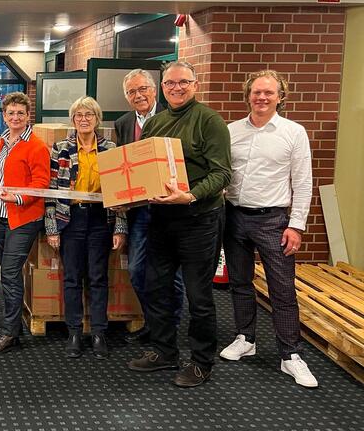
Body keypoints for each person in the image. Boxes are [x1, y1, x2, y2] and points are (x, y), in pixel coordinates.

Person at [127, 61, 231, 388]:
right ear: (163, 88)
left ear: (195, 84)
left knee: (200, 296)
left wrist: (191, 195)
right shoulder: (156, 123)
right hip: (161, 218)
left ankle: (201, 362)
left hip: (199, 219)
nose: (176, 88)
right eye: (170, 84)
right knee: (156, 285)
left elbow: (222, 173)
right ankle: (164, 350)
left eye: (183, 82)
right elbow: (146, 168)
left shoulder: (209, 121)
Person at [220, 70, 317, 387]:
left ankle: (291, 355)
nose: (262, 97)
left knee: (282, 290)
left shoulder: (293, 132)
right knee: (240, 282)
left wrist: (296, 226)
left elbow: (303, 183)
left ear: (280, 96)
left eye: (268, 93)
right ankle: (245, 338)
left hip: (274, 220)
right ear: (248, 95)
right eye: (256, 92)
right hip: (234, 216)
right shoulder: (231, 131)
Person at [45, 97, 127, 359]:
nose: (83, 119)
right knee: (72, 278)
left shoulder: (111, 149)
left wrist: (120, 228)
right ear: (73, 120)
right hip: (71, 219)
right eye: (79, 115)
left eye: (89, 115)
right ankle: (74, 332)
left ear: (97, 119)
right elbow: (50, 191)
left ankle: (100, 332)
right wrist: (52, 228)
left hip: (101, 220)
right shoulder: (61, 149)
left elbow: (120, 192)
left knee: (98, 277)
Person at [114, 69, 184, 344]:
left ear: (155, 90)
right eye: (132, 91)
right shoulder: (123, 123)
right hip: (140, 210)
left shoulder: (174, 117)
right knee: (137, 270)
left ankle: (171, 325)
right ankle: (153, 322)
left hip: (170, 207)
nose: (138, 95)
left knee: (170, 272)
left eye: (143, 89)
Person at [0, 92, 50, 354]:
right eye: (10, 113)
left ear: (28, 115)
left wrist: (18, 197)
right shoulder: (1, 143)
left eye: (20, 113)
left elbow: (42, 184)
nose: (15, 117)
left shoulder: (36, 145)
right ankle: (13, 326)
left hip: (23, 217)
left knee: (9, 273)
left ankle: (10, 332)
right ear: (4, 115)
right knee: (8, 273)